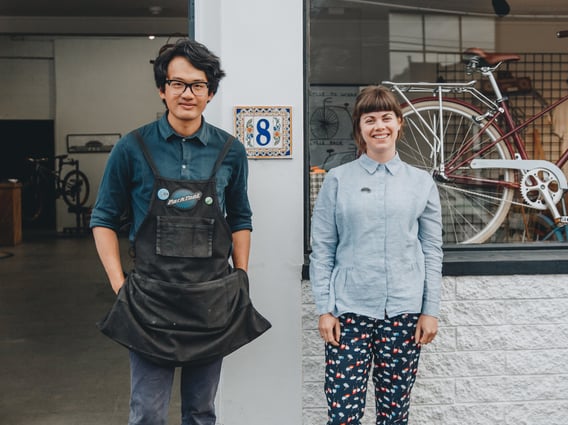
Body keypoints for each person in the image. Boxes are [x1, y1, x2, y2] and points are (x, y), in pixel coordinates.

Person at [90, 39, 270, 425]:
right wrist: (119, 283)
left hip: (210, 301)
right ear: (162, 89)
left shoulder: (230, 150)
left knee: (201, 412)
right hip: (150, 301)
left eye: (198, 85)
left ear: (210, 93)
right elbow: (103, 217)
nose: (187, 93)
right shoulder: (132, 147)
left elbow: (240, 217)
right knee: (148, 413)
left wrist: (241, 275)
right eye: (178, 83)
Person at [309, 85, 443, 425]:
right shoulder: (337, 180)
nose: (379, 126)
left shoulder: (421, 182)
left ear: (399, 123)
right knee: (342, 414)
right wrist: (325, 309)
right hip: (348, 313)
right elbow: (322, 249)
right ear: (359, 128)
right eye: (370, 119)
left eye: (387, 117)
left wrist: (430, 311)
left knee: (394, 413)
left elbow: (431, 249)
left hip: (404, 312)